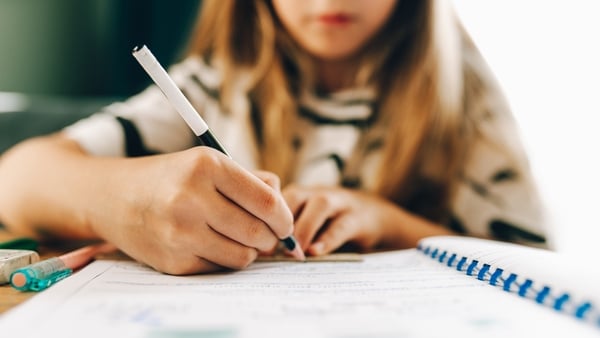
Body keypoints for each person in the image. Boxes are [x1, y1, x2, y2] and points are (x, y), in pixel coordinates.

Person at [0, 0, 548, 275]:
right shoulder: (214, 86)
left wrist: (386, 221)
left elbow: (534, 267)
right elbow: (15, 179)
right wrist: (121, 200)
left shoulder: (464, 98)